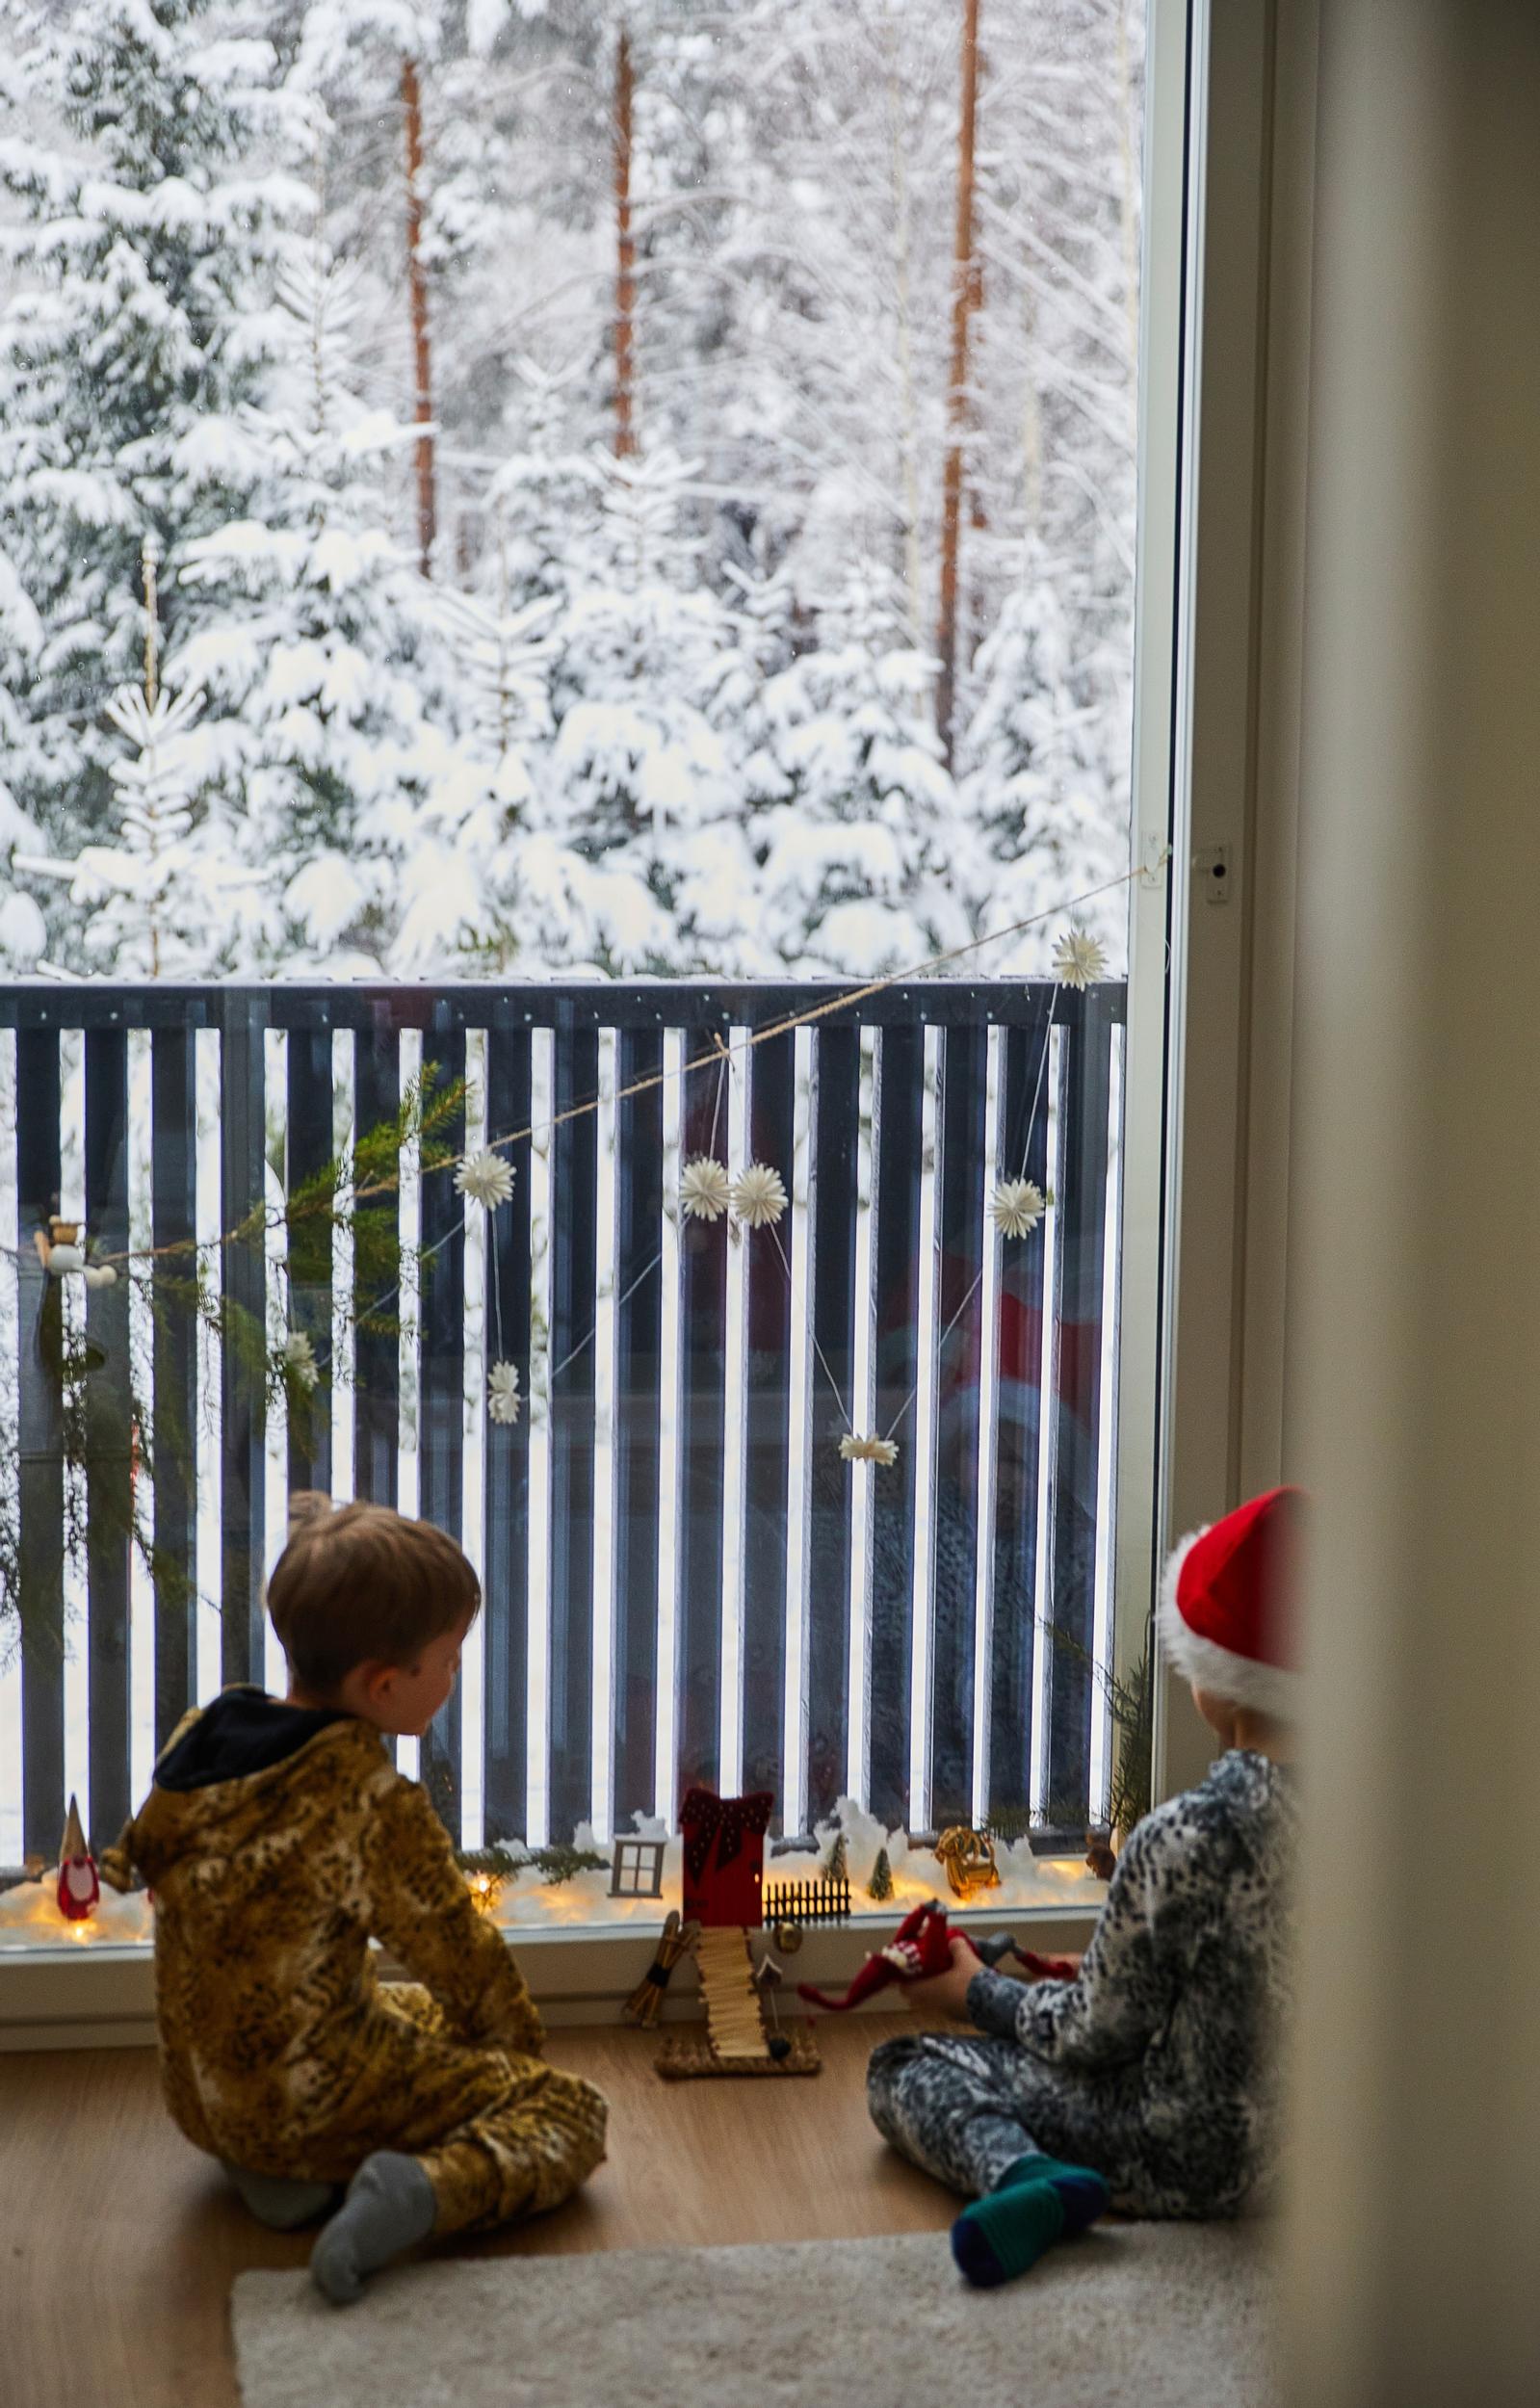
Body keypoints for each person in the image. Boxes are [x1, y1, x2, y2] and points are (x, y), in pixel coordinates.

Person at [101, 1494, 607, 2304]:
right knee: (567, 2109)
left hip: (201, 2093)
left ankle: (277, 2170)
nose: (453, 1675)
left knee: (409, 2014)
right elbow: (462, 1961)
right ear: (381, 1684)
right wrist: (516, 2062)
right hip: (306, 2094)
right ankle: (415, 2193)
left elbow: (140, 1852)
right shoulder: (366, 1800)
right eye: (447, 1659)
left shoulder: (207, 1731)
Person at [867, 1485, 1301, 2287]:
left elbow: (1093, 2038)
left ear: (1216, 1675)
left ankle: (1024, 2177)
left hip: (1179, 2155)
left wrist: (974, 1992)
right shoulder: (1392, 1835)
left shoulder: (1185, 1835)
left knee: (907, 2063)